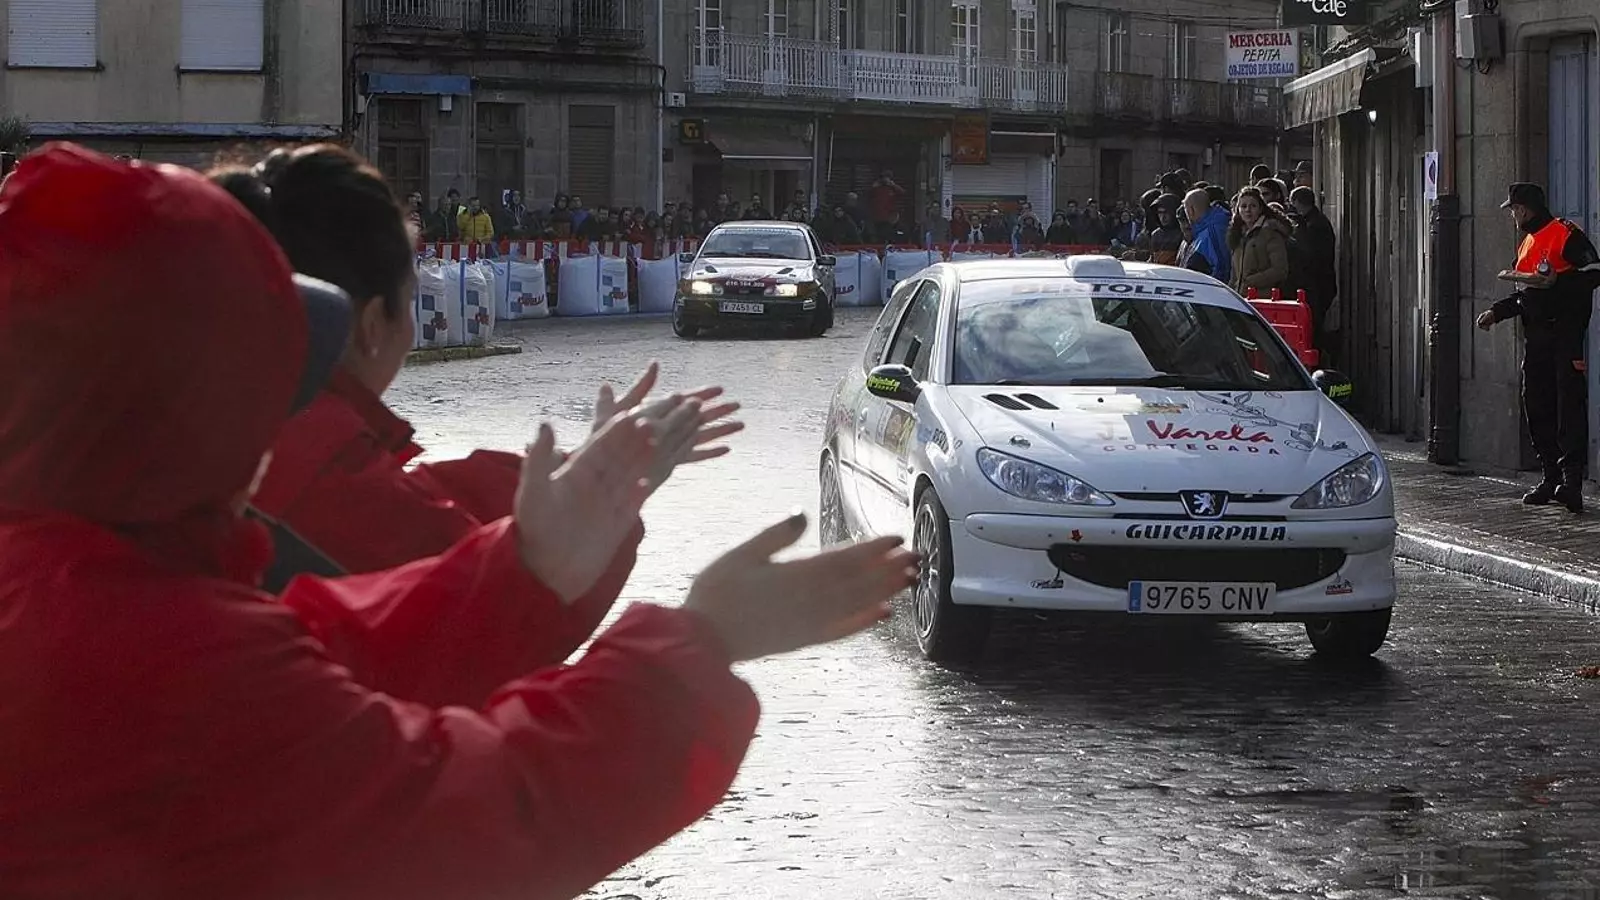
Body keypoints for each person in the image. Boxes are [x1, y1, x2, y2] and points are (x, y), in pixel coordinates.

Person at [0, 143, 920, 898]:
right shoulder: (154, 650)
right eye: (269, 372)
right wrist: (700, 642)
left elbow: (331, 645)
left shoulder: (70, 570)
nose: (280, 409)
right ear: (188, 406)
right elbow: (479, 818)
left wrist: (525, 566)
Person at [210, 147, 740, 615]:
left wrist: (590, 467)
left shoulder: (223, 424)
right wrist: (611, 488)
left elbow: (451, 494)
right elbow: (492, 612)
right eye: (410, 299)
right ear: (372, 325)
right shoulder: (326, 479)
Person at [1476, 182, 1600, 512]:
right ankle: (1550, 477)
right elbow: (1525, 294)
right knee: (1537, 404)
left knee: (1569, 406)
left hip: (1565, 335)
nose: (1512, 216)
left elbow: (1594, 271)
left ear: (1524, 209)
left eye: (1513, 210)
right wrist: (1497, 313)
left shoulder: (1564, 233)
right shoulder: (1527, 244)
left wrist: (1559, 284)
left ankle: (1571, 483)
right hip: (1537, 339)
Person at [1289, 186, 1338, 342]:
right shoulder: (1317, 221)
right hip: (1321, 281)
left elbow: (1311, 255)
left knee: (1313, 327)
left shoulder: (1313, 225)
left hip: (1317, 283)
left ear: (1297, 202)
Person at [1227, 185, 1290, 297]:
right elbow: (1234, 275)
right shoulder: (1237, 235)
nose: (1248, 210)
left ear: (1260, 209)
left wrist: (1250, 281)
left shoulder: (1270, 232)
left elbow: (1280, 270)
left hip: (1264, 298)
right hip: (1241, 298)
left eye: (1253, 206)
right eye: (1243, 206)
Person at [1178, 187, 1231, 283]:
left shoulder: (1213, 230)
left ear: (1191, 210)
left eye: (1185, 209)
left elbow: (1222, 267)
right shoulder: (1201, 229)